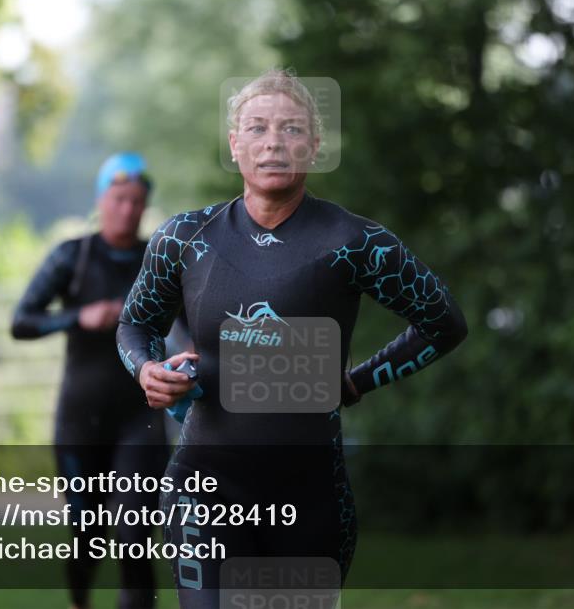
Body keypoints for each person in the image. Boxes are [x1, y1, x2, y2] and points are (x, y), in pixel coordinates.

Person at [116, 69, 469, 607]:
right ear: (234, 144)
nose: (274, 142)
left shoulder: (354, 242)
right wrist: (147, 369)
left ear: (315, 145)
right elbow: (135, 324)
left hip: (311, 498)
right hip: (204, 487)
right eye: (257, 128)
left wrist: (357, 382)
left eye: (292, 129)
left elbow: (443, 322)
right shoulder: (184, 238)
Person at [11, 152, 168, 609]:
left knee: (134, 533)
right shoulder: (73, 256)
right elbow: (22, 321)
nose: (128, 209)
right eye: (119, 199)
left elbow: (187, 320)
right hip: (80, 421)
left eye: (137, 201)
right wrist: (79, 316)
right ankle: (79, 600)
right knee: (88, 533)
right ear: (101, 201)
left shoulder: (157, 259)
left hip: (139, 418)